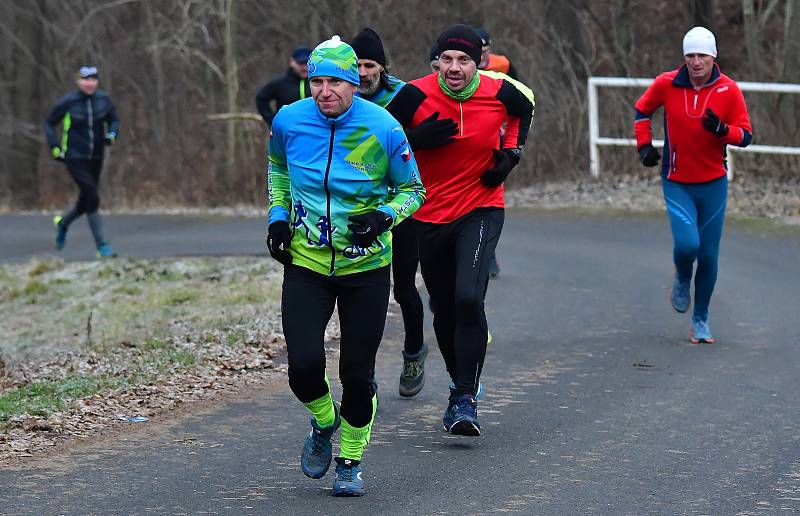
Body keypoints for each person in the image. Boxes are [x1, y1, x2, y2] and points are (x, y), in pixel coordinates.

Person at [267, 35, 424, 496]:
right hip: (306, 262)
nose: (324, 90)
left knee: (357, 374)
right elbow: (278, 169)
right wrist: (278, 219)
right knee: (303, 367)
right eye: (317, 81)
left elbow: (413, 190)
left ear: (355, 82)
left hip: (367, 269)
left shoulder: (384, 127)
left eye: (335, 80)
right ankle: (324, 421)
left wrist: (382, 217)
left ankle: (350, 459)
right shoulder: (288, 121)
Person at [387, 25, 533, 436]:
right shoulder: (414, 95)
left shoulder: (501, 91)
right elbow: (378, 142)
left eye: (463, 60)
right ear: (436, 62)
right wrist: (415, 140)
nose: (454, 67)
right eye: (447, 59)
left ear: (477, 62)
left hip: (481, 207)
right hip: (428, 215)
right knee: (444, 308)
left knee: (469, 297)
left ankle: (464, 398)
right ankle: (459, 382)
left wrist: (510, 157)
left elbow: (525, 111)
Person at [350, 27, 456, 398]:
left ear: (382, 66)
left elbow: (446, 131)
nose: (363, 73)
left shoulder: (406, 95)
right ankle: (362, 369)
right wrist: (412, 137)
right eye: (358, 65)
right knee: (365, 294)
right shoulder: (340, 98)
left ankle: (414, 351)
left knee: (404, 288)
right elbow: (353, 151)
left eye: (370, 64)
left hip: (404, 205)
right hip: (358, 209)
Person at [634, 26, 752, 344]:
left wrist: (723, 130)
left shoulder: (729, 90)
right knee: (688, 245)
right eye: (690, 55)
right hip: (677, 181)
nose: (696, 62)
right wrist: (644, 146)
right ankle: (683, 276)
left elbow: (746, 136)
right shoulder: (667, 83)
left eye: (702, 55)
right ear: (684, 57)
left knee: (710, 256)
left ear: (713, 57)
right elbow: (642, 109)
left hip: (713, 182)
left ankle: (701, 320)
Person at [44, 66, 119, 258]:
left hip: (96, 156)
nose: (90, 83)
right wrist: (55, 147)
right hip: (74, 157)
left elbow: (114, 120)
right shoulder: (69, 102)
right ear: (78, 82)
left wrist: (112, 134)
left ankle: (63, 223)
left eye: (93, 79)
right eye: (86, 79)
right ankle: (102, 246)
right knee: (92, 197)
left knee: (85, 200)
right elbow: (49, 123)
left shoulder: (103, 100)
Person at [255, 46, 312, 125]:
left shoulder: (319, 82)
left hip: (315, 131)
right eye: (301, 63)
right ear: (292, 62)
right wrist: (273, 122)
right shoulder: (280, 83)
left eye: (307, 63)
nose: (304, 67)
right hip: (287, 132)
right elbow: (261, 98)